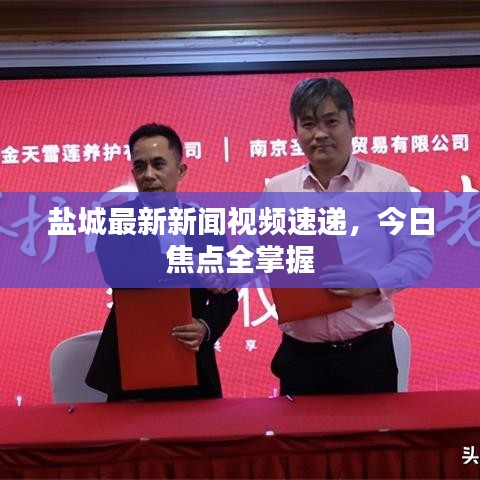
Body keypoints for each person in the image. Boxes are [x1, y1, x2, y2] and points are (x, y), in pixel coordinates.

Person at [265, 77, 432, 395]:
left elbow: (417, 256)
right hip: (301, 358)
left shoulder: (387, 184)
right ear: (296, 131)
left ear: (352, 124)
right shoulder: (278, 189)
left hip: (368, 355)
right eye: (308, 124)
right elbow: (257, 251)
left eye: (331, 122)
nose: (319, 134)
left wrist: (371, 281)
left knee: (373, 430)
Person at [86, 123, 238, 402]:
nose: (148, 175)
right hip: (130, 362)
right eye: (140, 166)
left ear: (180, 170)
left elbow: (225, 294)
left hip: (193, 361)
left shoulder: (205, 223)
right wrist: (189, 262)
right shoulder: (113, 219)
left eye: (158, 164)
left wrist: (205, 327)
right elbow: (120, 272)